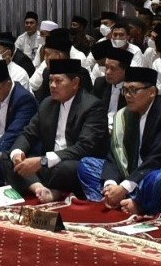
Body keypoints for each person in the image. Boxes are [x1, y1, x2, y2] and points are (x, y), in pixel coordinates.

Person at [77, 66, 161, 216]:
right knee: (86, 164)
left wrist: (124, 187)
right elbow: (114, 155)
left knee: (160, 179)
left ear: (151, 92)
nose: (128, 96)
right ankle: (112, 198)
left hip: (155, 172)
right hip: (130, 174)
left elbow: (158, 158)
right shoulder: (124, 115)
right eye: (125, 90)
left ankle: (139, 205)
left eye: (133, 90)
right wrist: (110, 183)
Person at [6, 59, 107, 202]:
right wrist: (18, 153)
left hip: (73, 163)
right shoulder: (47, 103)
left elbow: (84, 148)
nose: (52, 85)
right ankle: (40, 189)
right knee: (8, 158)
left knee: (65, 168)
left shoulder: (93, 106)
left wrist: (43, 161)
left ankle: (50, 189)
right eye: (50, 81)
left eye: (58, 81)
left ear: (75, 83)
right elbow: (28, 134)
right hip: (49, 165)